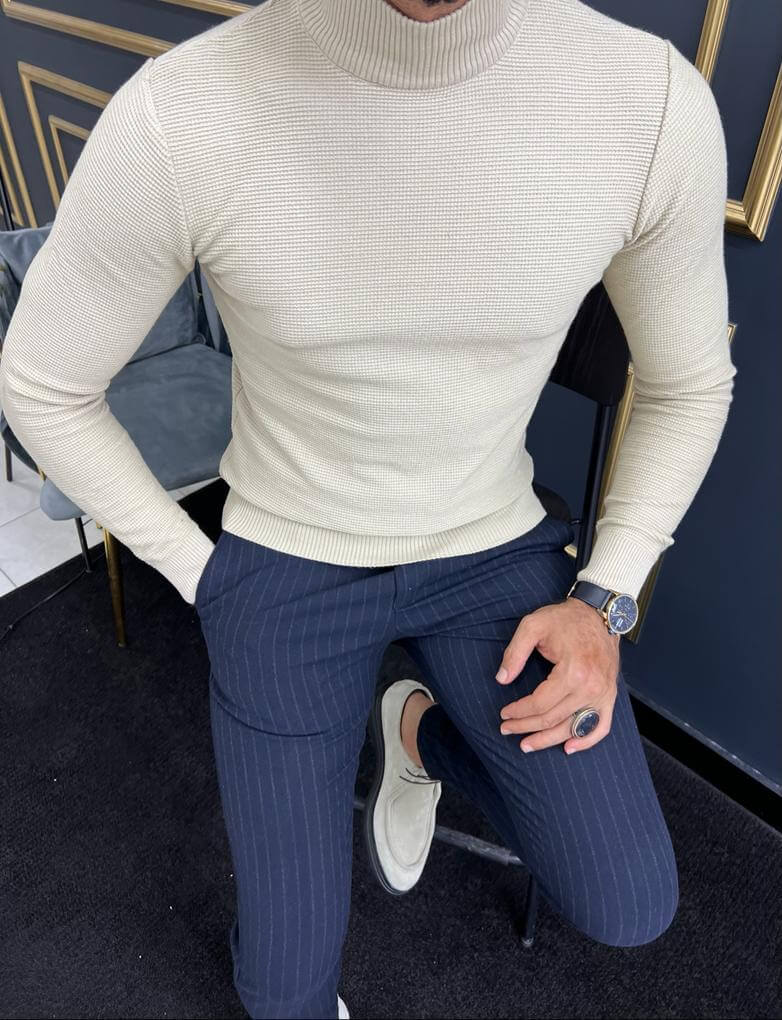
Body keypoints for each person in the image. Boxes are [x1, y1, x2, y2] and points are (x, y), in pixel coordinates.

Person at [0, 0, 736, 1016]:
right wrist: (200, 572)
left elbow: (687, 384)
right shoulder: (185, 111)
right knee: (283, 995)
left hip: (490, 546)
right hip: (283, 560)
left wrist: (605, 596)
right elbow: (42, 382)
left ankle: (414, 733)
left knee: (628, 901)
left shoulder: (646, 102)